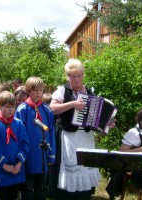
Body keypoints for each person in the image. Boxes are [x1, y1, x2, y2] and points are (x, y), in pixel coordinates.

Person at [50, 58, 110, 200]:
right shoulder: (62, 90)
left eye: (78, 75)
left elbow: (95, 118)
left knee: (85, 167)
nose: (76, 79)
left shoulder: (90, 91)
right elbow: (52, 108)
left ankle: (83, 196)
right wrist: (71, 104)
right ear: (68, 77)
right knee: (72, 168)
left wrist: (105, 126)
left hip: (86, 137)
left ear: (83, 75)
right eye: (72, 76)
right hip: (69, 136)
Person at [15, 76, 56, 200]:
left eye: (40, 90)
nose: (38, 93)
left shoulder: (47, 110)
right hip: (29, 155)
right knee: (27, 188)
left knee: (41, 188)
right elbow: (18, 134)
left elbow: (51, 133)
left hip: (43, 155)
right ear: (28, 90)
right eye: (35, 90)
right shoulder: (22, 110)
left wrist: (51, 154)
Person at [0, 91, 29, 200]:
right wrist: (5, 166)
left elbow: (25, 144)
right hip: (1, 172)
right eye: (7, 106)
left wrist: (19, 163)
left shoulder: (18, 124)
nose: (11, 109)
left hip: (16, 170)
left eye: (13, 106)